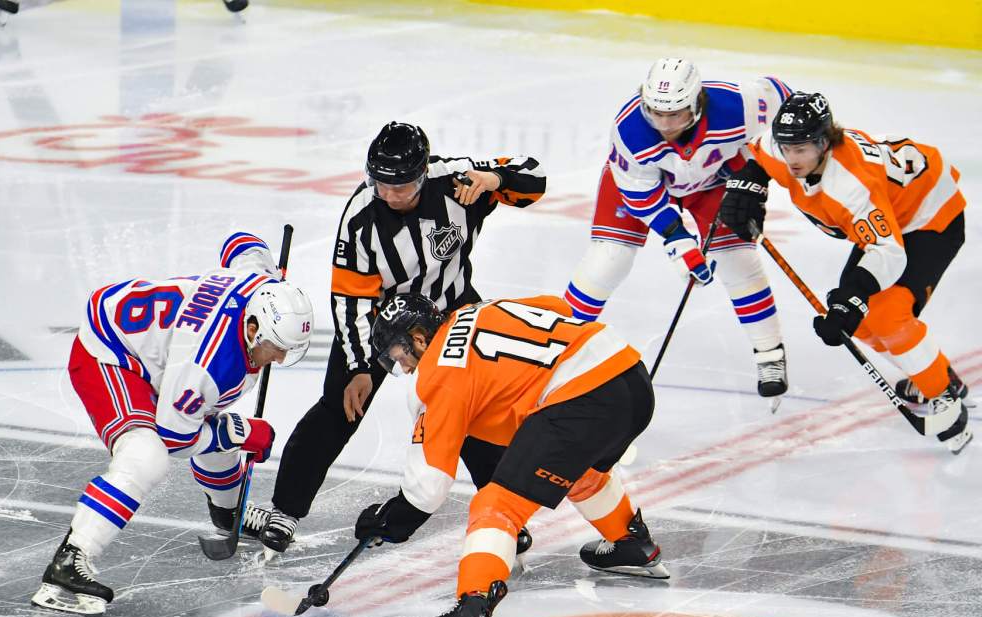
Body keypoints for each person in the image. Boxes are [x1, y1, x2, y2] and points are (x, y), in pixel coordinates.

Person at [260, 121, 547, 554]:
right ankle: (285, 509)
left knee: (473, 408)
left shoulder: (456, 181)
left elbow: (534, 177)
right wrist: (359, 366)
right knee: (339, 406)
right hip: (384, 323)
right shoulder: (360, 217)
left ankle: (503, 512)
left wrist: (494, 180)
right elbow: (349, 298)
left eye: (404, 186)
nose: (391, 195)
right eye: (382, 185)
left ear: (423, 172)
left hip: (452, 315)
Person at [354, 293, 665, 617]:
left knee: (495, 505)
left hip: (584, 400)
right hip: (629, 375)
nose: (403, 368)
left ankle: (470, 612)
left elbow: (428, 487)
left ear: (419, 338)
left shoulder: (438, 375)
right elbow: (557, 307)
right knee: (578, 469)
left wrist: (389, 520)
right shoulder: (474, 310)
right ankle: (630, 541)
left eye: (400, 355)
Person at [31, 233, 314, 615]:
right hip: (110, 352)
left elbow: (240, 245)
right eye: (275, 347)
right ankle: (69, 559)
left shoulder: (262, 287)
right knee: (147, 455)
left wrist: (270, 271)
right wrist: (244, 432)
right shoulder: (206, 367)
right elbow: (174, 438)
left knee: (214, 424)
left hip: (159, 349)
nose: (278, 359)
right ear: (251, 328)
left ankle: (229, 514)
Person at [721, 92, 971, 453]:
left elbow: (888, 252)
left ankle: (943, 395)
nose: (792, 158)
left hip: (930, 217)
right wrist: (747, 184)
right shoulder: (785, 149)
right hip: (890, 217)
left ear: (824, 143)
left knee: (887, 315)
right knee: (860, 323)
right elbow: (755, 154)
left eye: (802, 149)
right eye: (787, 147)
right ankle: (935, 372)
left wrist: (850, 298)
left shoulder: (851, 186)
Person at [563, 58, 794, 406]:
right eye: (656, 113)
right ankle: (554, 347)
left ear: (697, 104)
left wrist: (753, 170)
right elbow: (641, 193)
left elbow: (786, 100)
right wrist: (677, 238)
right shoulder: (630, 129)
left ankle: (769, 354)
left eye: (676, 115)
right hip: (645, 185)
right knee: (608, 261)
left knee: (736, 260)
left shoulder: (737, 104)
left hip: (712, 181)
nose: (665, 124)